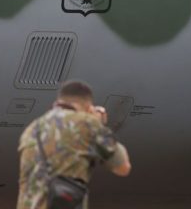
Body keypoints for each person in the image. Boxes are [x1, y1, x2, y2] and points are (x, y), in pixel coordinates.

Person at [17, 80, 131, 208]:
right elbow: (122, 167)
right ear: (88, 107)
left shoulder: (32, 129)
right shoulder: (86, 123)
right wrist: (100, 125)